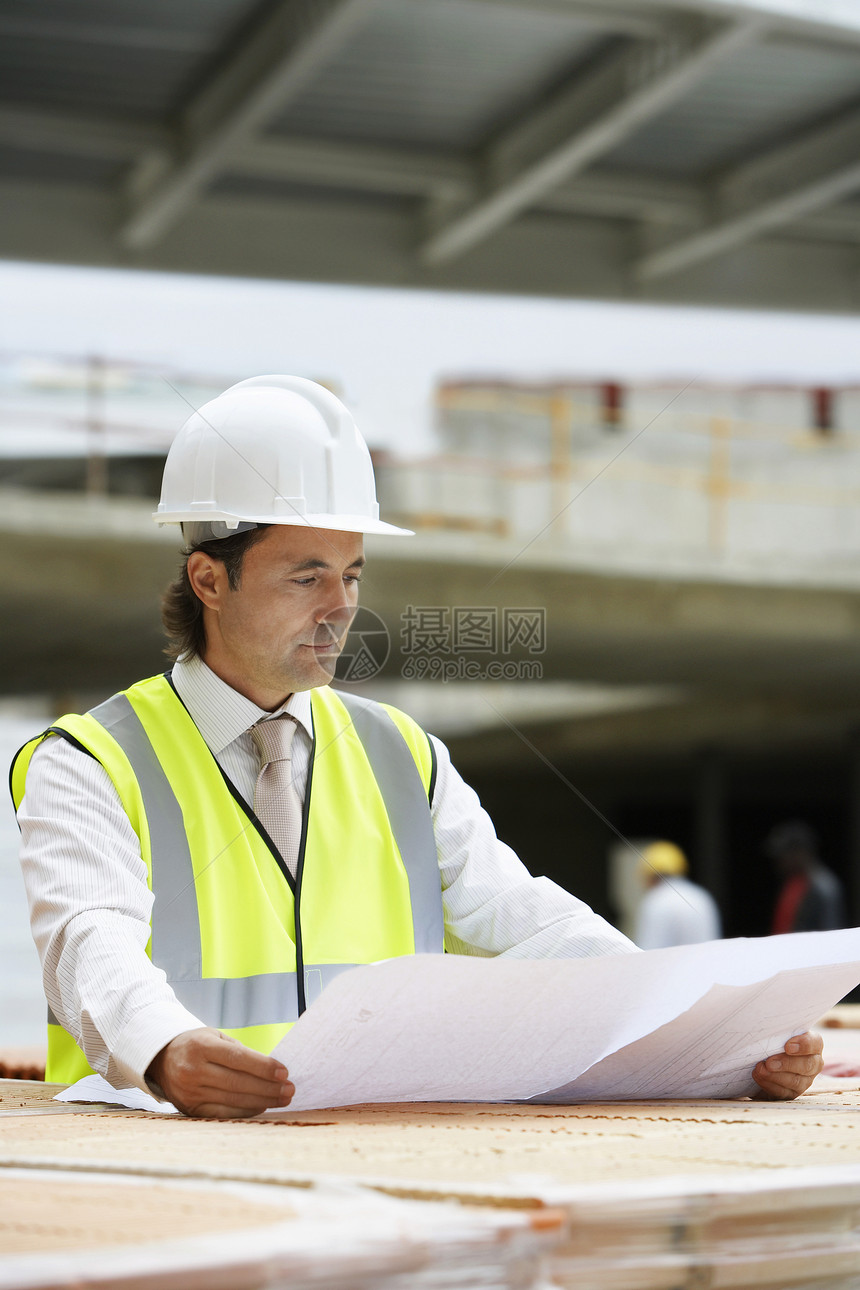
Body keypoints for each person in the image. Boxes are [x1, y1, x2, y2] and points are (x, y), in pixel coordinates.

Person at [12, 376, 822, 1117]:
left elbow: (531, 925)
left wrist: (706, 1037)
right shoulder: (87, 762)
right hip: (178, 1173)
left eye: (353, 575)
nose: (341, 608)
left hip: (377, 1160)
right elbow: (90, 939)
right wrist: (161, 1050)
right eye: (307, 577)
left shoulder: (403, 754)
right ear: (209, 579)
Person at [634, 840, 722, 950]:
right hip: (706, 965)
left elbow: (650, 950)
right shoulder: (701, 896)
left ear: (649, 875)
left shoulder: (656, 900)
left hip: (672, 966)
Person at [766, 821, 845, 934]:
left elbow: (831, 930)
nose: (779, 862)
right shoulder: (793, 882)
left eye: (783, 855)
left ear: (799, 852)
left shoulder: (823, 886)